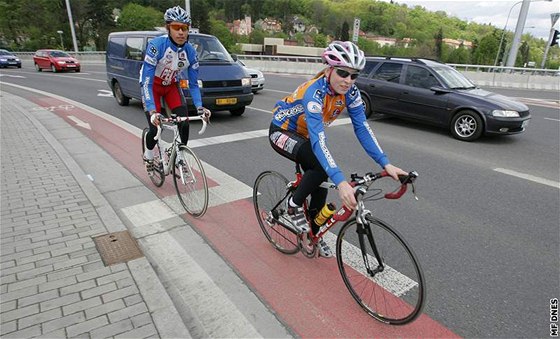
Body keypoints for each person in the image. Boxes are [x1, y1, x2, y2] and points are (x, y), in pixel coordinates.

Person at [268, 41, 408, 258]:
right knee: (320, 167)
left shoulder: (350, 94)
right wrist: (342, 183)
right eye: (343, 73)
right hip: (282, 131)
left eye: (354, 76)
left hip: (305, 137)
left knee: (321, 181)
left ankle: (314, 233)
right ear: (329, 69)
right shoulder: (314, 92)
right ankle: (292, 204)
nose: (348, 81)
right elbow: (318, 139)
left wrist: (385, 163)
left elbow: (362, 128)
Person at [140, 5, 210, 172]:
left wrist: (200, 107)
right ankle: (149, 154)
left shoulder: (191, 52)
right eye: (176, 28)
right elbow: (147, 82)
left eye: (184, 28)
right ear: (168, 28)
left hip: (171, 85)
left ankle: (179, 155)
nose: (181, 32)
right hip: (152, 86)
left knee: (184, 123)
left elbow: (193, 84)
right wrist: (152, 110)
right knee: (155, 127)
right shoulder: (157, 46)